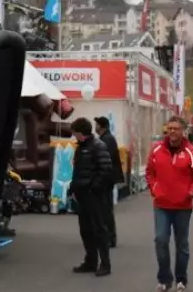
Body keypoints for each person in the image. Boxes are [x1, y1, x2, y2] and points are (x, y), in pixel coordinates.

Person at [147, 116, 193, 291]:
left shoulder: (192, 152)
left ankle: (181, 279)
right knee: (160, 240)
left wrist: (190, 192)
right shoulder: (156, 149)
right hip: (161, 205)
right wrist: (154, 189)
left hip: (182, 207)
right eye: (170, 128)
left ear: (183, 131)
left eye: (176, 128)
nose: (172, 131)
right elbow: (150, 173)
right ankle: (164, 279)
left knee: (181, 244)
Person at [69, 117, 114, 277]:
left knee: (99, 229)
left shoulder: (98, 146)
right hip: (82, 194)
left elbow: (106, 169)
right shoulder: (81, 148)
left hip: (93, 195)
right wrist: (73, 187)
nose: (74, 136)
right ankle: (90, 261)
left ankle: (105, 264)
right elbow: (78, 170)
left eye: (75, 133)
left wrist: (94, 187)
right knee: (86, 230)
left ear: (81, 133)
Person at [95, 116, 123, 248]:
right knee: (105, 208)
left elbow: (106, 160)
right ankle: (108, 236)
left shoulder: (107, 140)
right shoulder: (107, 138)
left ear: (102, 126)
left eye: (97, 124)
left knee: (106, 208)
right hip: (108, 177)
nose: (95, 127)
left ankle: (110, 237)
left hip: (107, 178)